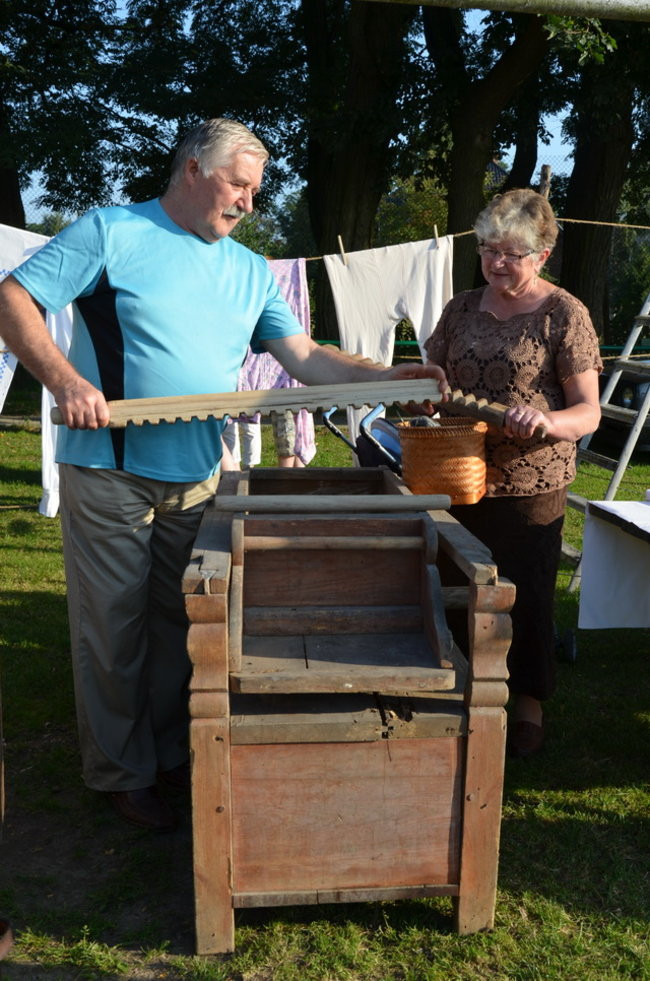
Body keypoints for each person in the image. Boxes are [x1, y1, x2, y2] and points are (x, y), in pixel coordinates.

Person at [0, 117, 446, 831]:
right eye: (237, 184)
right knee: (113, 626)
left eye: (255, 190)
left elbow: (306, 358)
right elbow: (13, 297)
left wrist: (389, 374)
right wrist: (62, 382)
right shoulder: (112, 232)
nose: (247, 201)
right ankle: (120, 769)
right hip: (109, 467)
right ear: (193, 171)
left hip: (200, 473)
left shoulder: (248, 268)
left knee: (186, 619)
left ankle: (173, 753)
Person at [424, 188, 602, 759]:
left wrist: (547, 419)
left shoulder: (564, 314)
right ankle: (455, 689)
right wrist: (425, 396)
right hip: (456, 472)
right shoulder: (460, 308)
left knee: (523, 597)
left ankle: (527, 703)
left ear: (543, 254)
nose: (497, 262)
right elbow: (433, 378)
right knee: (451, 583)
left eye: (512, 253)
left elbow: (588, 413)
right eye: (488, 249)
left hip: (530, 484)